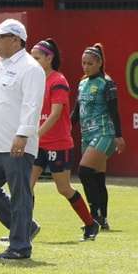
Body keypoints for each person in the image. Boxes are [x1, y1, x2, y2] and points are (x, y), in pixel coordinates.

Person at [0, 19, 45, 260]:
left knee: (20, 193)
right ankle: (26, 228)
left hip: (17, 144)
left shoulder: (31, 68)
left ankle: (20, 246)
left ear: (16, 40)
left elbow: (32, 105)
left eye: (0, 36)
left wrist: (23, 134)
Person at [28, 39, 99, 241]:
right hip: (39, 144)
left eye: (37, 58)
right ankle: (24, 229)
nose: (33, 62)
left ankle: (90, 223)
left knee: (63, 188)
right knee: (26, 185)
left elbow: (56, 114)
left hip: (57, 143)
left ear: (49, 58)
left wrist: (36, 134)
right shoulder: (35, 79)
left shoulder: (58, 80)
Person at [72, 43, 125, 230]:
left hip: (104, 133)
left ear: (99, 63)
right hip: (86, 135)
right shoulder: (82, 83)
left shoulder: (106, 83)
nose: (85, 67)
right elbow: (77, 111)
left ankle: (93, 214)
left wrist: (119, 136)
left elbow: (114, 111)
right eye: (83, 63)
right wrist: (66, 128)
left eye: (89, 63)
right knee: (97, 177)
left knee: (84, 171)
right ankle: (102, 219)